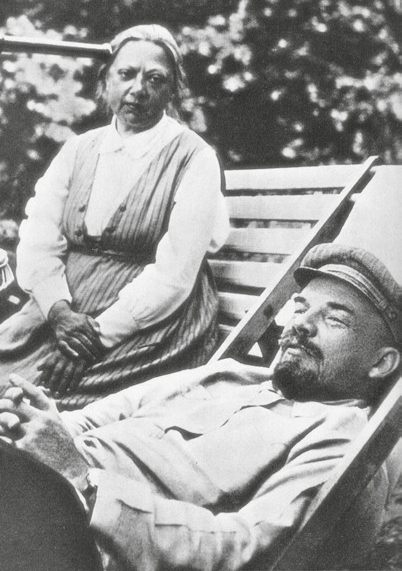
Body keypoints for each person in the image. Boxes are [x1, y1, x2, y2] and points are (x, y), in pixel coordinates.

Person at [0, 243, 400, 571]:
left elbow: (237, 548)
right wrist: (35, 422)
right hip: (35, 484)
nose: (301, 324)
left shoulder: (339, 434)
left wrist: (83, 479)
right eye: (299, 307)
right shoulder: (231, 374)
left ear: (381, 363)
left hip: (83, 539)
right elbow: (98, 417)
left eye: (335, 320)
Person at [0, 24, 229, 409]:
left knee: (33, 405)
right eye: (126, 74)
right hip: (62, 313)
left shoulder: (195, 158)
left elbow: (174, 275)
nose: (138, 89)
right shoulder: (78, 150)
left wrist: (93, 339)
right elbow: (39, 238)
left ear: (172, 90)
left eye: (155, 79)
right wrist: (58, 312)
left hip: (146, 322)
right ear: (105, 82)